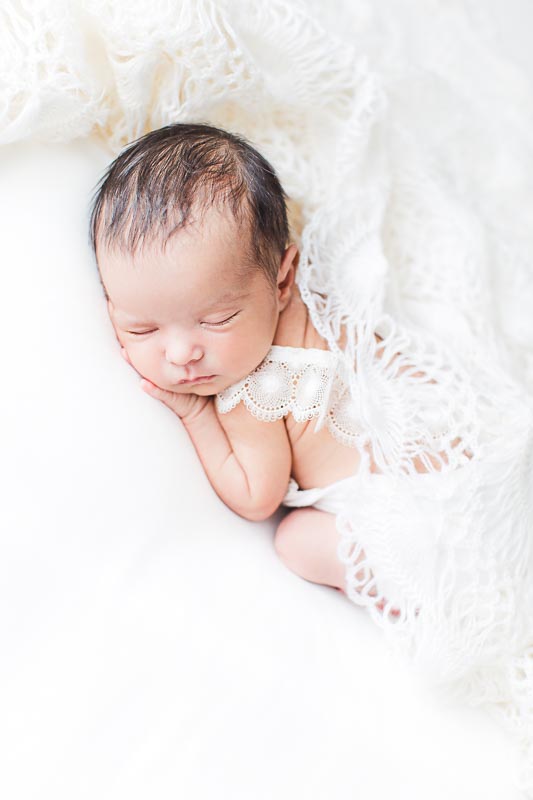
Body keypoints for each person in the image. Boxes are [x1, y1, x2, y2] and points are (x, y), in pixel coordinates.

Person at [89, 125, 533, 783]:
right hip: (454, 452)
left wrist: (194, 416)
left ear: (283, 278)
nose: (182, 353)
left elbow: (254, 494)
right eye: (142, 329)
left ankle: (409, 596)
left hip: (413, 517)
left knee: (295, 539)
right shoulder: (317, 308)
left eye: (215, 320)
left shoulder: (252, 390)